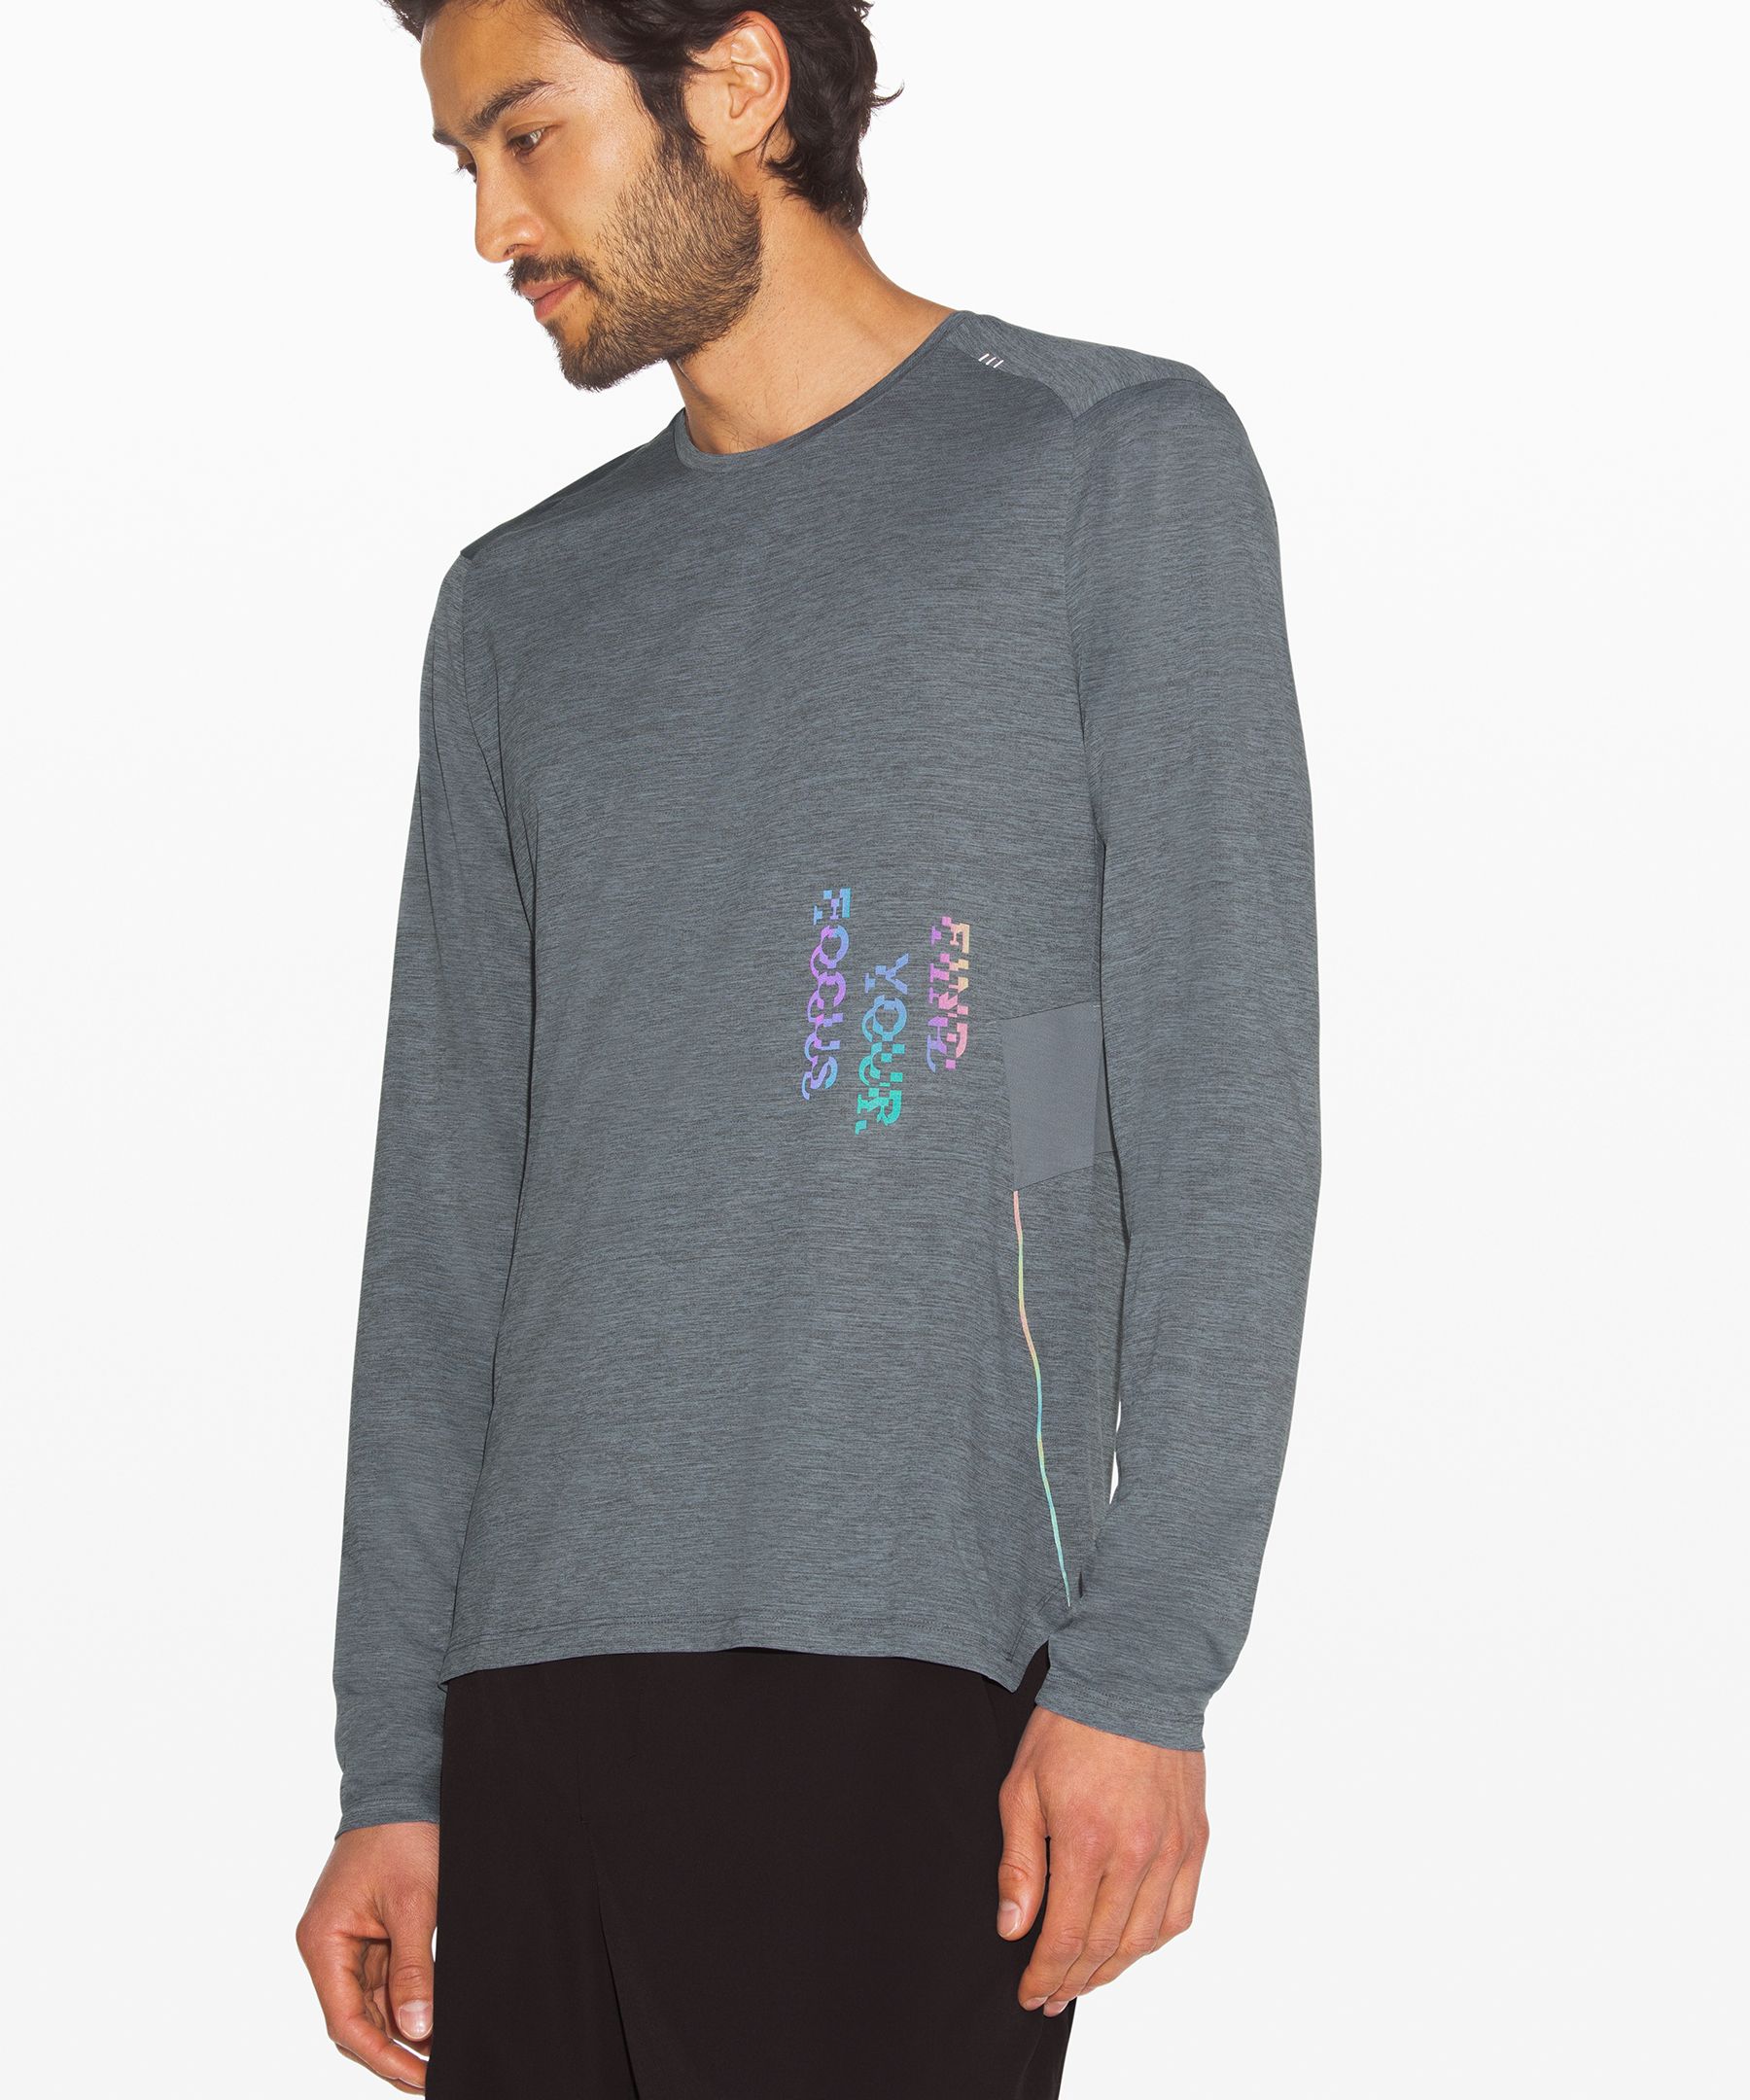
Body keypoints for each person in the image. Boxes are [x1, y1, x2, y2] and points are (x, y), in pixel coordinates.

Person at [295, 2, 1320, 2092]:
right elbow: (447, 1217)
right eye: (464, 162)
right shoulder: (520, 608)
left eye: (529, 135)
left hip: (921, 1664)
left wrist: (1143, 1668)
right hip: (533, 1696)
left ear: (741, 85)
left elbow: (1217, 1115)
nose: (492, 224)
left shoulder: (1104, 467)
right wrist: (394, 1764)